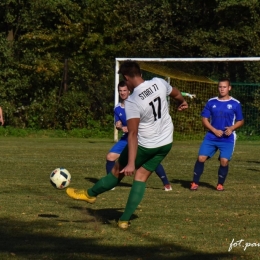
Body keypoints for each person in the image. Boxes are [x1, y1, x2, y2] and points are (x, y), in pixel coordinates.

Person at [66, 60, 188, 229]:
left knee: (117, 172)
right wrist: (181, 102)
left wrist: (131, 163)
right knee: (141, 177)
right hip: (166, 142)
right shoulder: (158, 82)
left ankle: (89, 194)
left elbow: (132, 133)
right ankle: (124, 220)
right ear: (139, 72)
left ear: (126, 77)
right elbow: (176, 93)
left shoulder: (133, 100)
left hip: (147, 145)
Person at [106, 80, 172, 191]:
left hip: (139, 138)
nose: (122, 93)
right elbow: (118, 124)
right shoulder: (117, 108)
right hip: (126, 139)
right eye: (120, 90)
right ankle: (110, 183)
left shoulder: (136, 102)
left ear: (129, 91)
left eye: (124, 90)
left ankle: (166, 183)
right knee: (110, 157)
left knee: (149, 160)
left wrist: (132, 128)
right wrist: (120, 127)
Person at [190, 78, 244, 191]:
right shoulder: (211, 102)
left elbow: (241, 120)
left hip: (227, 138)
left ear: (229, 88)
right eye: (220, 87)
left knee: (224, 161)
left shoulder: (235, 103)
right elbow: (204, 119)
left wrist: (232, 128)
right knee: (201, 158)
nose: (222, 89)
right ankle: (194, 183)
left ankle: (220, 184)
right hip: (211, 136)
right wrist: (214, 130)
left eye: (224, 87)